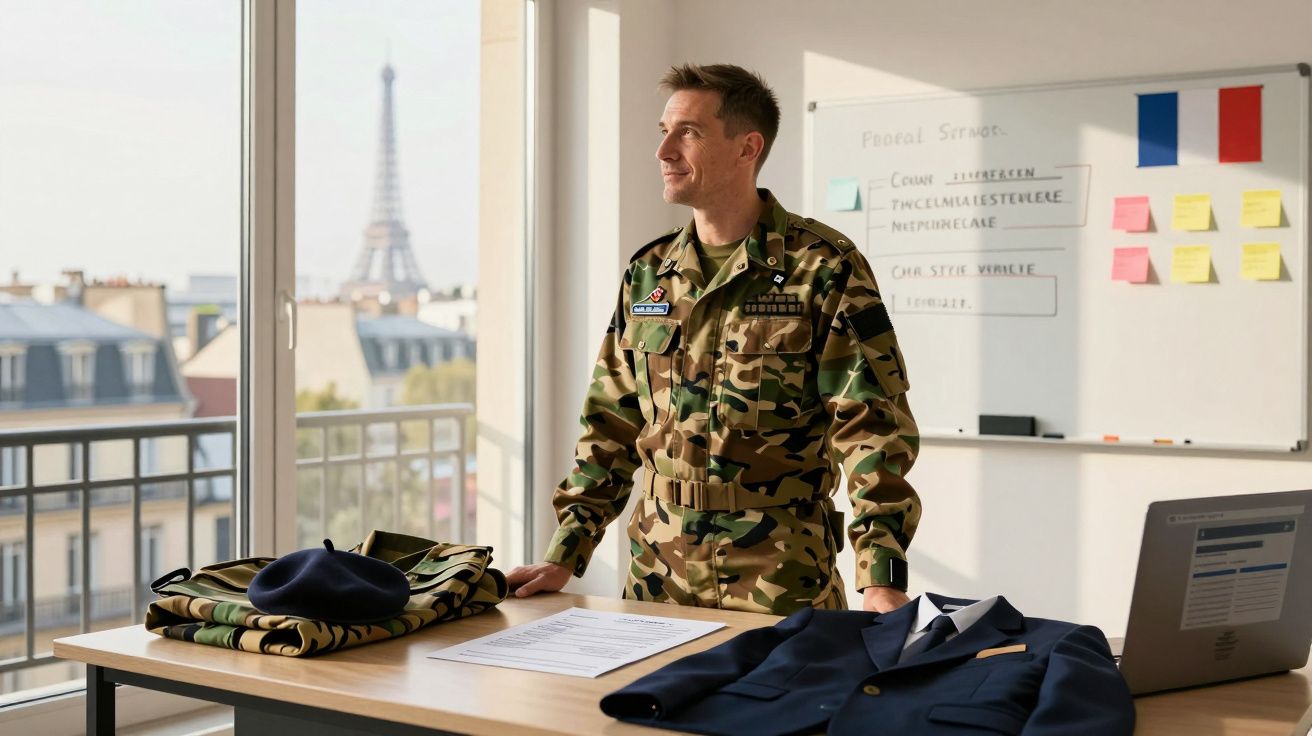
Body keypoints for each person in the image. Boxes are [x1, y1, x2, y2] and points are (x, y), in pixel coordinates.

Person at [506, 63, 920, 615]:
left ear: (747, 148)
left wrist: (880, 578)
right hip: (657, 576)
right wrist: (565, 552)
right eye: (664, 132)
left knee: (782, 702)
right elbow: (610, 422)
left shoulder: (821, 267)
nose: (664, 151)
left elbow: (872, 431)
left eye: (689, 132)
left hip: (779, 575)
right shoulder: (648, 274)